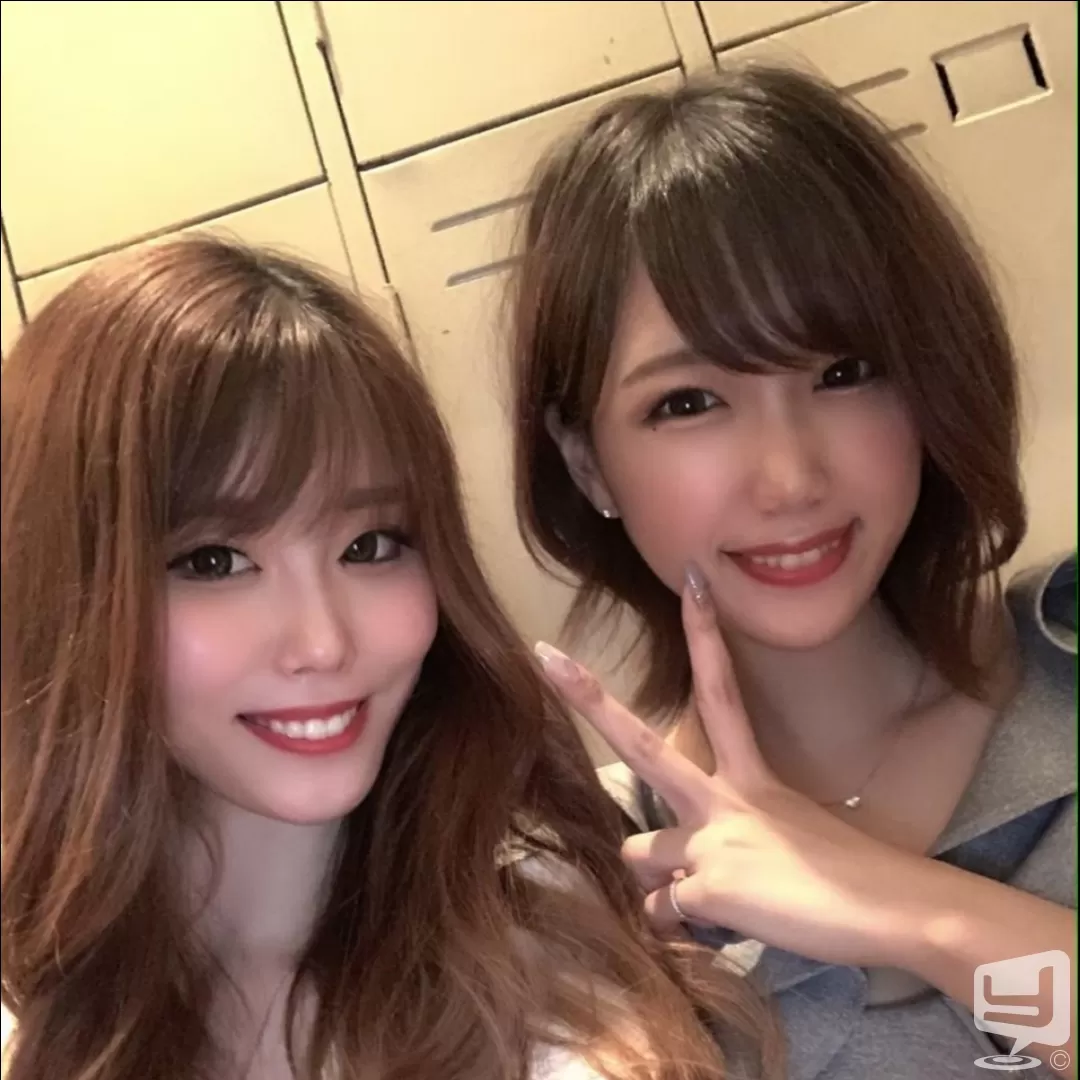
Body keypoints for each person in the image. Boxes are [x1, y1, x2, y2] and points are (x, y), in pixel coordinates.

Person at [0, 237, 779, 1080]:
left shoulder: (538, 970)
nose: (325, 642)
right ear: (64, 591)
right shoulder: (34, 1012)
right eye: (215, 561)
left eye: (369, 545)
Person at [508, 66, 1077, 1080]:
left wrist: (918, 914)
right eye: (688, 402)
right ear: (587, 461)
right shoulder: (606, 889)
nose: (790, 479)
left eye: (843, 372)